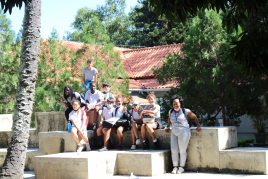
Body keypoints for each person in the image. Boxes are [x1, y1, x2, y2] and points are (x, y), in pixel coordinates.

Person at [165, 95, 201, 174]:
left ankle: (181, 167)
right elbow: (169, 119)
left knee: (182, 150)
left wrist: (198, 126)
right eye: (174, 103)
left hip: (184, 131)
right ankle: (175, 167)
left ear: (180, 103)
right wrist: (168, 126)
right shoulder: (170, 111)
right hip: (174, 132)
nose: (175, 105)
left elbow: (194, 117)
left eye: (177, 103)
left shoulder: (186, 111)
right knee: (174, 150)